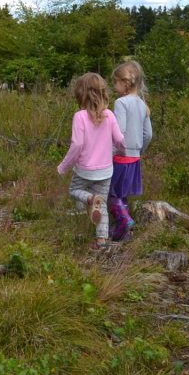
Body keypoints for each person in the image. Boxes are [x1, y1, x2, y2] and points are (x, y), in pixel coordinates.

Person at [57, 73, 126, 250]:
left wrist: (64, 166)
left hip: (84, 170)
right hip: (105, 171)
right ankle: (102, 241)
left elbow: (77, 145)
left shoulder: (79, 116)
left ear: (81, 94)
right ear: (102, 93)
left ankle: (89, 198)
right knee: (101, 205)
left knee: (74, 190)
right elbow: (119, 139)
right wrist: (122, 151)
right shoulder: (109, 115)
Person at [108, 61, 153, 241]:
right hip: (135, 158)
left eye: (116, 82)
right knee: (123, 195)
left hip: (120, 157)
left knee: (112, 194)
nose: (114, 86)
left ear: (125, 83)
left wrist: (111, 153)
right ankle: (123, 233)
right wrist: (138, 151)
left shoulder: (120, 103)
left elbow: (119, 133)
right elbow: (148, 134)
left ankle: (125, 221)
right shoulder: (143, 105)